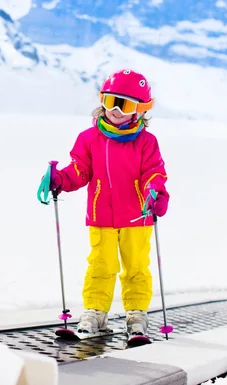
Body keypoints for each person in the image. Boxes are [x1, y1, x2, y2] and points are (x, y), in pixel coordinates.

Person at [47, 69, 169, 337]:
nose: (114, 109)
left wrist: (155, 192)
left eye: (123, 104)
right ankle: (95, 311)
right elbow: (80, 170)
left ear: (139, 109)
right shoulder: (89, 139)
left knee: (136, 266)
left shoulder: (146, 142)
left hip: (137, 216)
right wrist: (60, 179)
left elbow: (154, 173)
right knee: (101, 265)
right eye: (109, 100)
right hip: (100, 215)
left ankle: (137, 313)